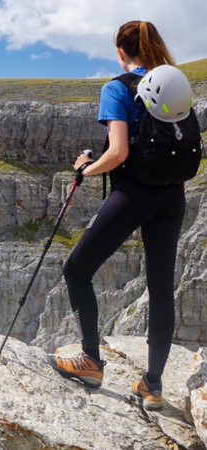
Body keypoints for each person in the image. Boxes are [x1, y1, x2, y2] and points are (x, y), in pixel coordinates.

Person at [47, 20, 185, 411]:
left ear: (121, 52)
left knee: (77, 269)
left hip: (135, 194)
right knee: (161, 291)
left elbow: (120, 152)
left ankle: (90, 360)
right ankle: (153, 386)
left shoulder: (116, 88)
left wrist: (85, 168)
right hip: (171, 197)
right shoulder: (171, 81)